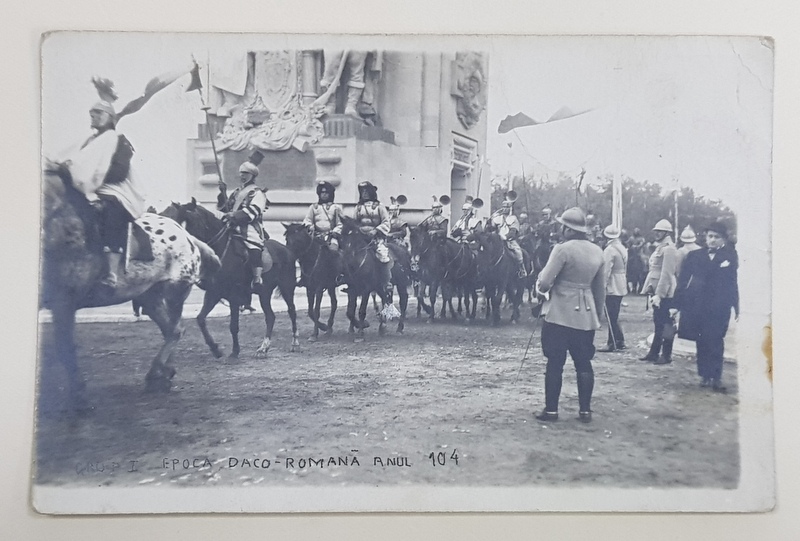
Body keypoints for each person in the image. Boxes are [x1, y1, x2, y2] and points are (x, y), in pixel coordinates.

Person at [61, 98, 147, 287]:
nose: (93, 117)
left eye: (98, 113)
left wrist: (89, 177)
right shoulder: (88, 142)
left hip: (115, 190)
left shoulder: (120, 140)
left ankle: (112, 273)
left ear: (109, 116)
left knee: (111, 211)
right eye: (92, 114)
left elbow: (119, 172)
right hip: (87, 187)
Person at [534, 207, 606, 423]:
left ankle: (552, 411)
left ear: (567, 228)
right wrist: (598, 315)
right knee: (584, 363)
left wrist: (539, 287)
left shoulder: (561, 249)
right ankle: (585, 411)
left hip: (559, 314)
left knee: (555, 361)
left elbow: (545, 282)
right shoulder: (598, 251)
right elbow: (600, 289)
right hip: (585, 315)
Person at [675, 222, 739, 391]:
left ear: (723, 239)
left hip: (719, 307)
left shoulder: (730, 256)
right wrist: (677, 304)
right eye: (710, 236)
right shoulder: (695, 256)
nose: (712, 240)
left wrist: (737, 306)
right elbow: (683, 281)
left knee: (716, 339)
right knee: (702, 340)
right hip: (698, 306)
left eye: (716, 237)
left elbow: (734, 283)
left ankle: (716, 377)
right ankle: (704, 375)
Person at [218, 161, 269, 289]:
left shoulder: (257, 193)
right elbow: (227, 208)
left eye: (246, 173)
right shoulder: (236, 192)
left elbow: (255, 210)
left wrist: (234, 215)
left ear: (252, 175)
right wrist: (223, 193)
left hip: (249, 226)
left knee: (254, 245)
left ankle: (257, 278)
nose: (243, 176)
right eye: (241, 173)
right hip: (232, 225)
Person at [639, 219, 679, 365]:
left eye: (660, 231)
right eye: (656, 231)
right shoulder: (660, 247)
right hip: (657, 289)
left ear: (667, 233)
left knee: (667, 323)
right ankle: (654, 352)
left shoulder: (669, 248)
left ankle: (666, 354)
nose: (657, 233)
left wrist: (660, 295)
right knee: (658, 322)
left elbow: (667, 273)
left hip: (665, 291)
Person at [353, 181, 393, 295]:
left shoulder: (379, 207)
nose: (365, 194)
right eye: (362, 192)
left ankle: (386, 282)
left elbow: (386, 222)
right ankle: (348, 281)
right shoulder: (358, 207)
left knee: (383, 255)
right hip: (360, 240)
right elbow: (354, 222)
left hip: (375, 239)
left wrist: (375, 230)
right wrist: (358, 230)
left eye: (366, 191)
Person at [598, 225, 628, 352]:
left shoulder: (609, 250)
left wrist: (602, 285)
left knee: (611, 314)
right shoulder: (622, 247)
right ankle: (619, 340)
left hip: (612, 284)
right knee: (614, 313)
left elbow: (606, 271)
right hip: (621, 282)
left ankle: (612, 343)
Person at [302, 181, 344, 251]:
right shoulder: (313, 207)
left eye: (326, 193)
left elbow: (340, 224)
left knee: (334, 248)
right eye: (322, 192)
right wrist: (309, 226)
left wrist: (334, 232)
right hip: (315, 235)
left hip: (330, 237)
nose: (324, 195)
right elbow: (307, 220)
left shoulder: (336, 208)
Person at [491, 200, 527, 277]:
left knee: (518, 252)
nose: (504, 209)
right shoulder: (497, 218)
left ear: (510, 208)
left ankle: (521, 269)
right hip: (497, 240)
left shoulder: (513, 218)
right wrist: (490, 221)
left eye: (507, 207)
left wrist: (506, 237)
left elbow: (513, 231)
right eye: (503, 207)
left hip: (509, 241)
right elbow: (491, 228)